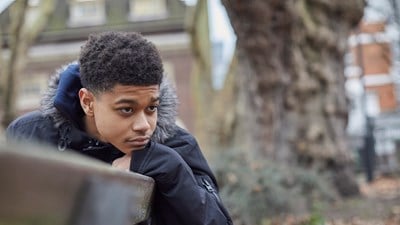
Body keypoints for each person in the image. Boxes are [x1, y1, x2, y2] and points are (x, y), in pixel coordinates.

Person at [6, 31, 233, 225]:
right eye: (126, 110)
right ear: (87, 102)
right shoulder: (30, 135)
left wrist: (167, 166)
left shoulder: (177, 146)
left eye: (151, 108)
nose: (144, 126)